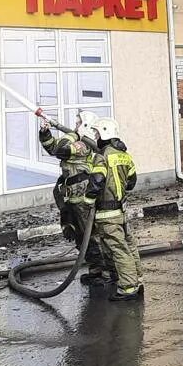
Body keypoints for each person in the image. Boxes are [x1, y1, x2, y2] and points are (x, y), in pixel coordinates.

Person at [37, 111, 107, 282]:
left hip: (82, 197)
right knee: (80, 235)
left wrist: (74, 134)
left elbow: (61, 150)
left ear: (85, 126)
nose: (75, 125)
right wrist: (45, 132)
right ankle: (95, 269)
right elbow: (53, 147)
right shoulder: (77, 141)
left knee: (91, 235)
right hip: (72, 197)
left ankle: (104, 271)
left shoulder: (83, 145)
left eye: (78, 123)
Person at [91, 116, 144, 302]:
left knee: (118, 248)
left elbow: (97, 181)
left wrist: (88, 198)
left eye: (97, 132)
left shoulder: (102, 156)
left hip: (107, 213)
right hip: (121, 210)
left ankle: (128, 287)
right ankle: (136, 279)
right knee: (128, 244)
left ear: (104, 133)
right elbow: (132, 182)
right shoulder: (124, 155)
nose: (95, 136)